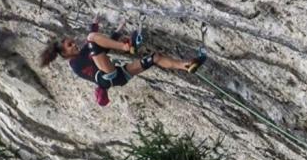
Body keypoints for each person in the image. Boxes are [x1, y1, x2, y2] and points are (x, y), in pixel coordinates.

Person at [40, 17, 205, 106]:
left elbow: (102, 49)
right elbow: (96, 48)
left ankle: (186, 65)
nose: (74, 44)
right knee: (91, 38)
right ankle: (128, 47)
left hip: (119, 76)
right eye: (70, 45)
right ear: (64, 53)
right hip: (108, 76)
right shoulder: (75, 65)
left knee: (155, 58)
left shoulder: (82, 54)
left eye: (72, 42)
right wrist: (94, 29)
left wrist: (118, 30)